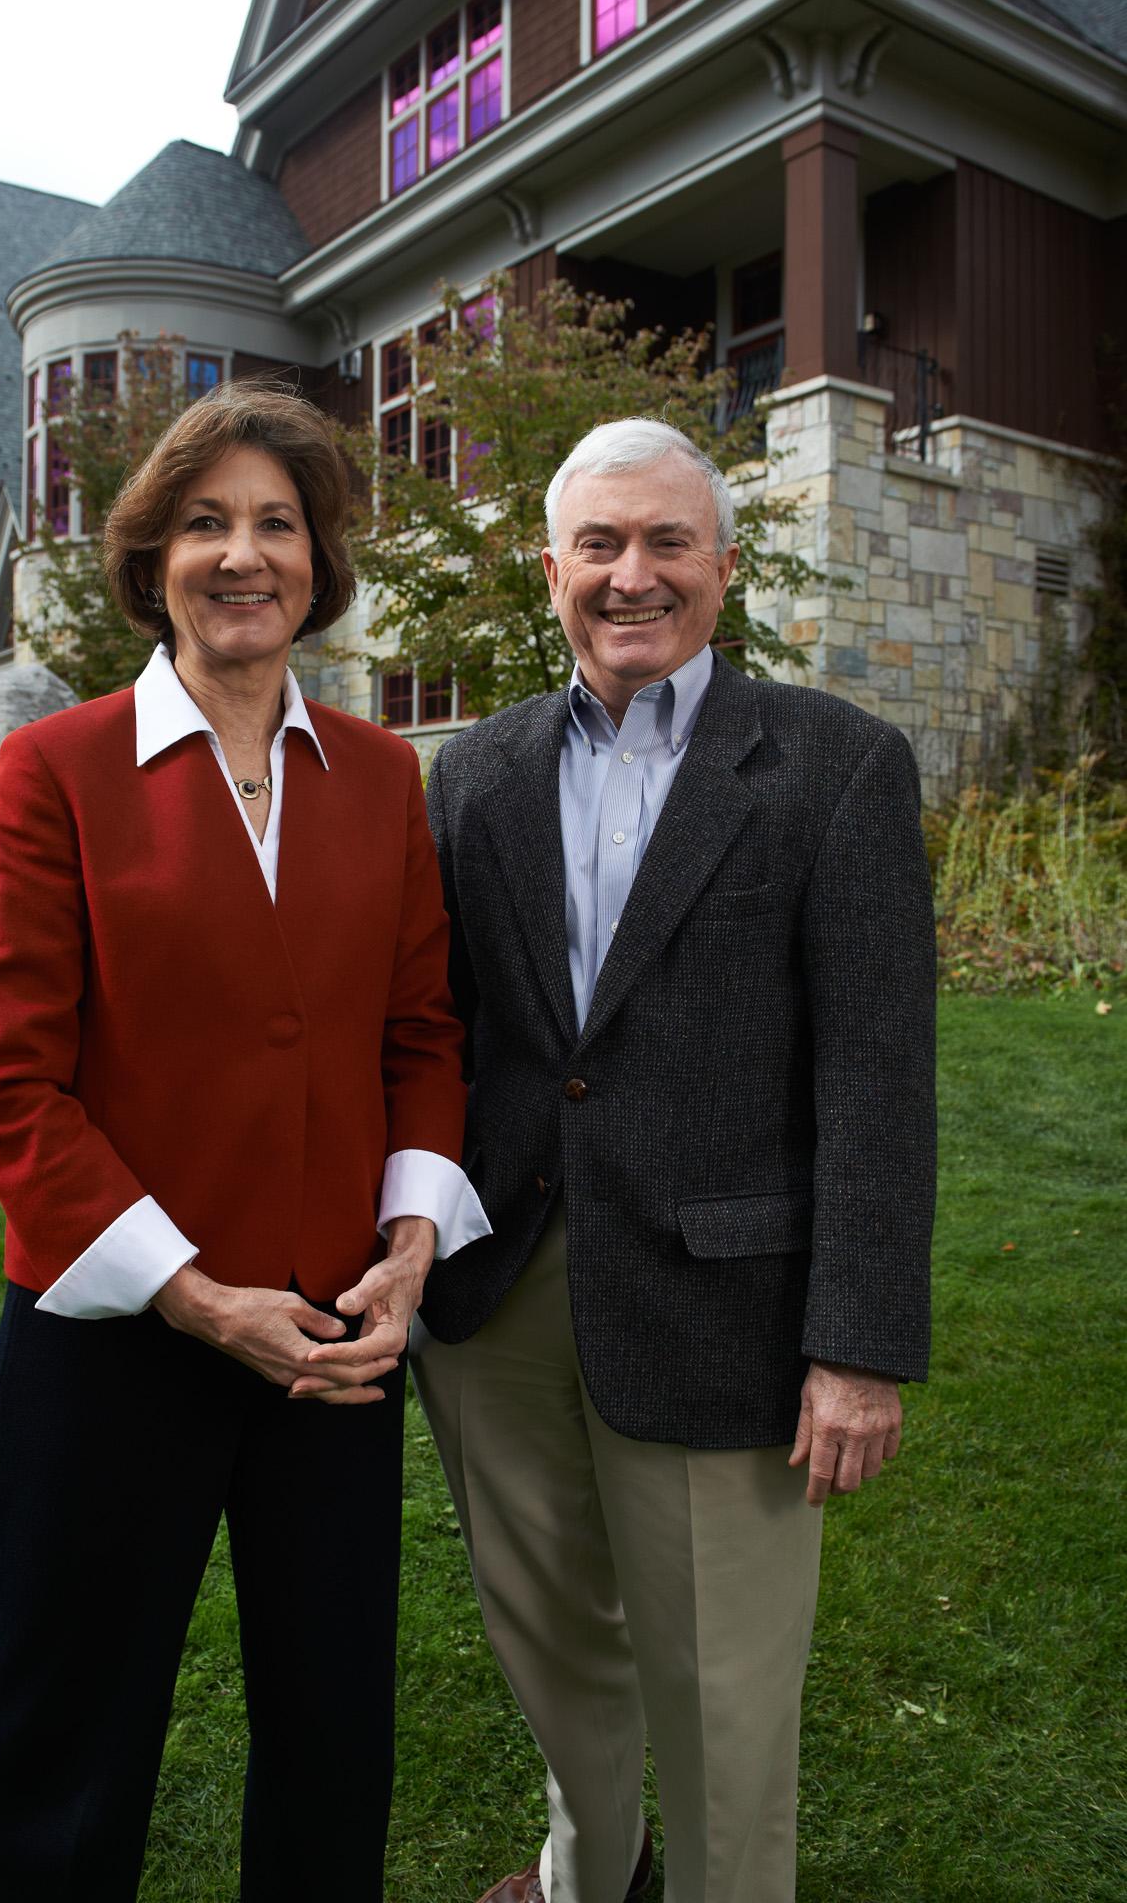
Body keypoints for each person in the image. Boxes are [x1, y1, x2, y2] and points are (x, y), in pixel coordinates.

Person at [0, 381, 487, 1903]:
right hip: (111, 1346)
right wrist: (192, 1297)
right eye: (205, 523)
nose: (243, 554)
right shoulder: (57, 768)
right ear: (150, 560)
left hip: (330, 1350)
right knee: (63, 1742)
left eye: (276, 524)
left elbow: (422, 1038)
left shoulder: (384, 780)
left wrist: (410, 1245)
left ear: (318, 562)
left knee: (330, 1740)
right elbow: (7, 1086)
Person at [411, 417, 936, 1903]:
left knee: (721, 1702)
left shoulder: (835, 768)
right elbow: (446, 1030)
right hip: (496, 1296)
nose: (631, 575)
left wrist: (857, 1345)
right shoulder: (476, 774)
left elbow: (882, 1077)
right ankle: (593, 1875)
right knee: (549, 1645)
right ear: (552, 567)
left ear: (721, 563)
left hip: (727, 1314)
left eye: (666, 543)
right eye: (600, 544)